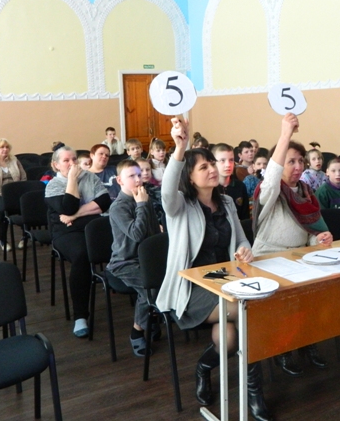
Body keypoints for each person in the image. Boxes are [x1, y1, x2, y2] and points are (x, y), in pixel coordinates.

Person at [156, 117, 272, 421]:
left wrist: (245, 249)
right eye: (204, 167)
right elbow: (166, 192)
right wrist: (180, 147)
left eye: (212, 164)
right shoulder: (180, 206)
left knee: (230, 337)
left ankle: (204, 367)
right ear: (190, 176)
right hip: (192, 287)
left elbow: (242, 239)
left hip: (226, 281)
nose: (212, 169)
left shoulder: (228, 203)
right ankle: (255, 395)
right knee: (247, 312)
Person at [252, 113, 333, 376]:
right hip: (267, 259)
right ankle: (282, 349)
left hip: (299, 258)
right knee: (285, 301)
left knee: (316, 292)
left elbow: (308, 232)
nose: (297, 166)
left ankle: (307, 341)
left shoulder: (306, 193)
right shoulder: (270, 191)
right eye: (290, 161)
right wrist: (285, 134)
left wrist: (318, 238)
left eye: (300, 161)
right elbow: (271, 178)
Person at [45, 143, 111, 338]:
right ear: (56, 165)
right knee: (82, 255)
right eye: (66, 161)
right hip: (66, 233)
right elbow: (68, 207)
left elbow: (104, 202)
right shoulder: (53, 185)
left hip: (91, 227)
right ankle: (80, 315)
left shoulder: (90, 177)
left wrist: (75, 215)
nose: (72, 163)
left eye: (74, 159)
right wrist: (72, 179)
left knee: (126, 242)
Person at [107, 160, 160, 355]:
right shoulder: (119, 207)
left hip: (146, 259)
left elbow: (153, 233)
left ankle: (152, 317)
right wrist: (141, 205)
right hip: (125, 262)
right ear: (120, 180)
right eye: (131, 176)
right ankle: (137, 331)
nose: (138, 179)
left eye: (139, 175)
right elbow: (136, 234)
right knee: (150, 288)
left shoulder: (144, 198)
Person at [212, 143, 250, 220]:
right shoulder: (210, 188)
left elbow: (245, 216)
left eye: (231, 160)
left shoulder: (240, 186)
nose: (228, 165)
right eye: (222, 160)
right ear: (213, 162)